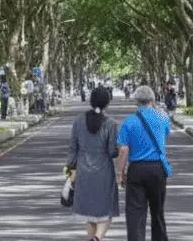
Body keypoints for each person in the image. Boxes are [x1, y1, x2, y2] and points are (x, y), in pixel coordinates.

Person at [117, 85, 171, 241]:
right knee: (158, 212)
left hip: (136, 170)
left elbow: (123, 150)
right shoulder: (162, 117)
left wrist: (121, 173)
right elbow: (165, 134)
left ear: (136, 101)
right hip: (157, 169)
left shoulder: (129, 121)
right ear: (152, 100)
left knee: (135, 215)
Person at [67, 87, 119, 241]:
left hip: (83, 171)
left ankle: (93, 238)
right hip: (104, 172)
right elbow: (112, 152)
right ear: (107, 103)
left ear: (91, 101)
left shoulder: (78, 121)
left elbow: (72, 148)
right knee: (106, 210)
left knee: (89, 212)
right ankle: (97, 238)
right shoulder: (110, 123)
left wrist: (70, 169)